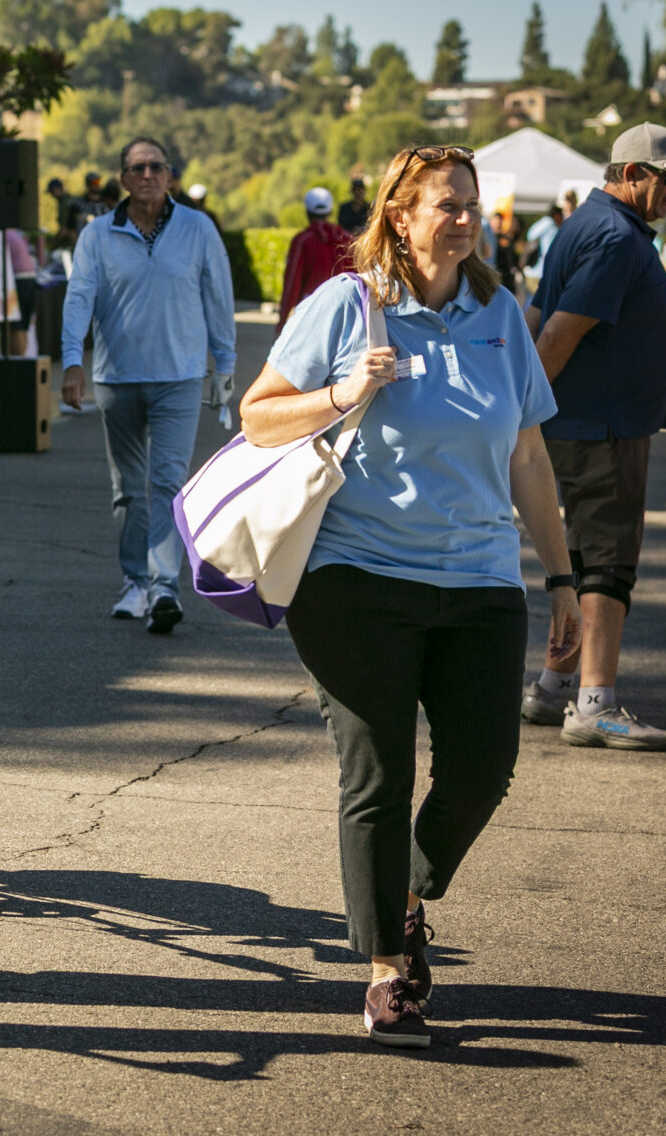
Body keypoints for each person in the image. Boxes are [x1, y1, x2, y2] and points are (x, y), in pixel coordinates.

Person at [239, 143, 579, 1050]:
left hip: (480, 580)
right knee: (379, 774)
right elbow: (257, 415)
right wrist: (342, 392)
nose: (464, 219)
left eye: (470, 203)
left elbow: (529, 454)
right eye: (445, 204)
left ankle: (405, 896)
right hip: (355, 578)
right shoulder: (347, 305)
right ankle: (388, 973)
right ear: (400, 214)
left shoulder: (501, 314)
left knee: (482, 770)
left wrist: (562, 578)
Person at [521, 122, 666, 746]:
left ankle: (553, 687)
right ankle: (596, 703)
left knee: (579, 562)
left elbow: (536, 315)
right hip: (603, 428)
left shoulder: (584, 226)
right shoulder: (615, 236)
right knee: (607, 563)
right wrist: (519, 416)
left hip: (590, 423)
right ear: (632, 174)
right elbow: (554, 335)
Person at [60, 135, 237, 631]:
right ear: (122, 178)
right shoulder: (97, 235)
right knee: (127, 490)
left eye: (156, 167)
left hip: (179, 377)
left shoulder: (198, 228)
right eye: (137, 168)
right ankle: (135, 582)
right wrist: (71, 361)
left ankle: (163, 588)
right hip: (117, 379)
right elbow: (79, 298)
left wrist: (225, 365)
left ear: (170, 175)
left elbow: (218, 297)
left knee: (167, 483)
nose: (147, 175)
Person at [277, 187, 354, 332]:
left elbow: (292, 283)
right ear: (330, 211)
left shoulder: (302, 241)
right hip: (343, 316)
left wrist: (282, 322)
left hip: (309, 314)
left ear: (307, 212)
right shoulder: (348, 240)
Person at [5, 225, 39, 355]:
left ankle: (18, 359)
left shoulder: (5, 235)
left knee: (16, 325)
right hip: (30, 278)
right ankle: (23, 358)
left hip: (18, 280)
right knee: (23, 325)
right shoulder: (17, 234)